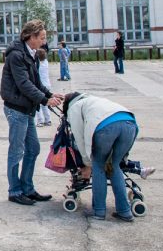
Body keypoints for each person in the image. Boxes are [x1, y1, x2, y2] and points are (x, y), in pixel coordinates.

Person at [0, 19, 63, 206]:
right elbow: (24, 84)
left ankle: (27, 188)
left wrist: (50, 94)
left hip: (27, 109)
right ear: (31, 36)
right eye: (41, 37)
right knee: (16, 151)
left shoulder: (31, 53)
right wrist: (45, 100)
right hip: (16, 109)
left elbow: (35, 82)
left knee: (33, 149)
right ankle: (15, 191)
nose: (44, 41)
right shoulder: (16, 55)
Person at [64, 92, 149, 222]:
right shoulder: (93, 100)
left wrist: (87, 162)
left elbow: (79, 137)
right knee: (114, 166)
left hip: (106, 128)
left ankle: (99, 211)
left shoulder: (74, 107)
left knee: (98, 166)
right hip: (130, 124)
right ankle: (124, 211)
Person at [34, 48, 52, 127]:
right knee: (46, 103)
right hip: (47, 85)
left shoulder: (37, 64)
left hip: (40, 85)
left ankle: (40, 121)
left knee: (38, 104)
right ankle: (48, 120)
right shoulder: (46, 62)